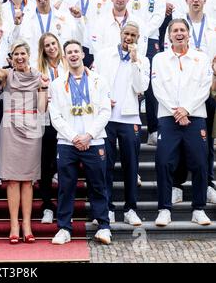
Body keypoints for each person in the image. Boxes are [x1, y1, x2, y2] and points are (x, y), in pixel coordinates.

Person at [49, 39, 112, 245]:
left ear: (83, 55)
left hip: (94, 141)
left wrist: (89, 135)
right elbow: (55, 115)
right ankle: (64, 228)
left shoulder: (98, 80)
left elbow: (105, 111)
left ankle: (103, 226)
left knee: (98, 184)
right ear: (65, 57)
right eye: (69, 52)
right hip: (67, 143)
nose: (73, 55)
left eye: (77, 51)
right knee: (66, 187)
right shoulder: (57, 83)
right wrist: (74, 136)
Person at [0, 29, 49, 243]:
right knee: (13, 180)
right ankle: (14, 224)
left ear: (29, 55)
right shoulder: (7, 75)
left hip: (32, 128)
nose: (20, 57)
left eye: (23, 53)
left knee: (28, 181)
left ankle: (27, 224)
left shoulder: (38, 76)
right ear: (11, 57)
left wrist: (44, 89)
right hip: (11, 128)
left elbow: (42, 110)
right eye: (16, 54)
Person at [152, 18, 213, 227]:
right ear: (169, 36)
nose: (179, 33)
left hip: (195, 117)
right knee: (163, 162)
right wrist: (176, 111)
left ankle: (198, 209)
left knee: (199, 162)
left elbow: (204, 88)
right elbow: (157, 87)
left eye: (182, 30)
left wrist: (186, 109)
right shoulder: (160, 59)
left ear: (188, 33)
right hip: (168, 118)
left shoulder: (201, 58)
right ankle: (164, 209)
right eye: (175, 30)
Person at [93, 21, 150, 225]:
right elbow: (95, 82)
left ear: (138, 37)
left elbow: (140, 87)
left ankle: (130, 208)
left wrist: (135, 62)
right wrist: (103, 99)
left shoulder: (142, 60)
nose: (129, 38)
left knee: (131, 165)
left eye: (133, 35)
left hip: (130, 118)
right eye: (126, 33)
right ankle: (107, 208)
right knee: (105, 165)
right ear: (120, 33)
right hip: (106, 117)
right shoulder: (104, 55)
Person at [169, 0, 216, 205]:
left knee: (207, 141)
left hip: (209, 88)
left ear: (205, 0)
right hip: (183, 91)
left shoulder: (213, 25)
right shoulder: (179, 25)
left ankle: (207, 183)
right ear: (186, 0)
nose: (195, 0)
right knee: (179, 140)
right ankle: (176, 184)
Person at [113, 0, 166, 146]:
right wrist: (128, 31)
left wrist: (142, 31)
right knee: (122, 78)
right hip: (124, 35)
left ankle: (153, 129)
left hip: (149, 36)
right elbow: (115, 5)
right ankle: (118, 123)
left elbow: (160, 10)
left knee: (149, 81)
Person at [11, 0, 84, 67]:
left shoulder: (64, 17)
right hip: (36, 68)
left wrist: (78, 19)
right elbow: (14, 43)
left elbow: (78, 40)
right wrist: (17, 26)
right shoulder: (25, 19)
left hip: (61, 68)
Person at [37, 32, 67, 224]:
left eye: (53, 43)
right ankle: (47, 205)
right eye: (47, 45)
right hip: (46, 119)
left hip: (66, 120)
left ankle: (64, 206)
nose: (51, 47)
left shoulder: (68, 63)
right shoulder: (38, 69)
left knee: (63, 163)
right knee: (45, 164)